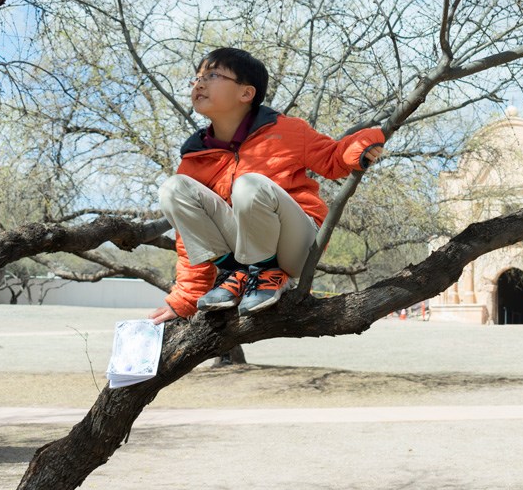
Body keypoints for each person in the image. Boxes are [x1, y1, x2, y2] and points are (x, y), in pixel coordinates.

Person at [148, 48, 384, 324]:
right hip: (241, 254)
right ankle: (239, 274)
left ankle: (265, 272)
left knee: (249, 185)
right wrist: (184, 300)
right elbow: (189, 240)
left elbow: (333, 159)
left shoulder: (287, 131)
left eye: (212, 75)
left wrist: (366, 141)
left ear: (246, 93)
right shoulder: (195, 158)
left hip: (296, 246)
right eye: (197, 78)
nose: (199, 83)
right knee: (173, 189)